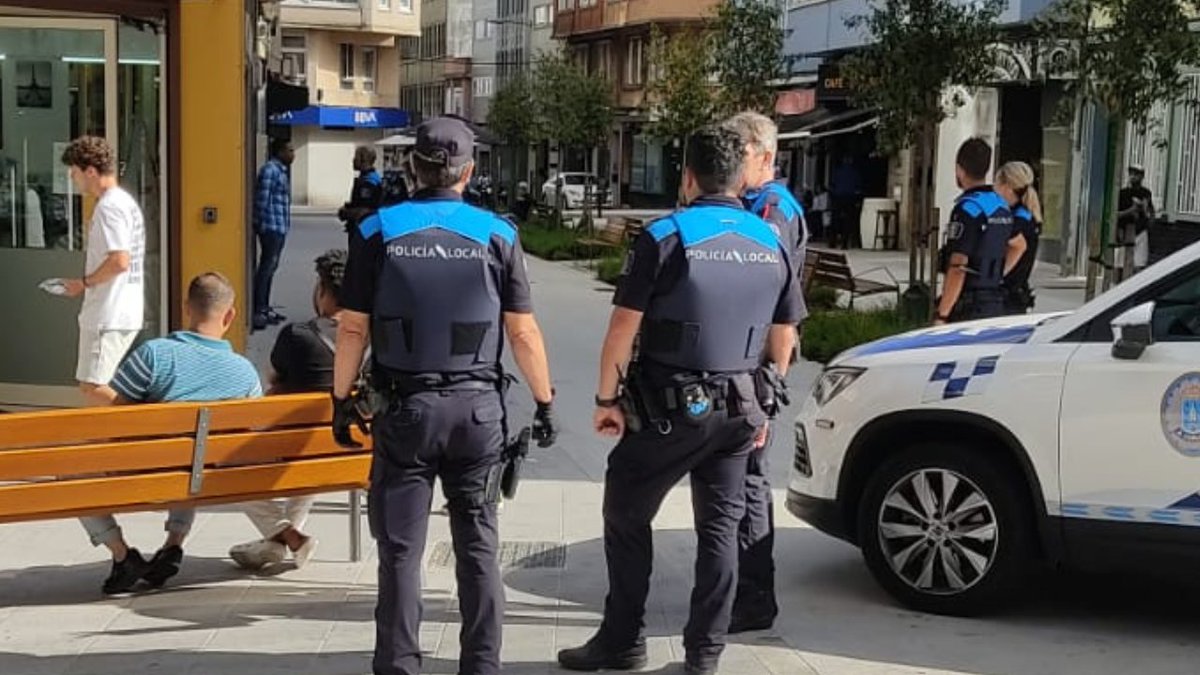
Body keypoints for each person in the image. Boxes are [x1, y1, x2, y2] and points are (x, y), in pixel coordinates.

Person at [557, 125, 803, 675]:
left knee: (625, 511)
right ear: (741, 177)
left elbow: (623, 326)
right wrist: (768, 399)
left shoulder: (667, 235)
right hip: (741, 409)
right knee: (719, 530)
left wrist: (606, 399)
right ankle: (703, 657)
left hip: (669, 409)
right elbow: (785, 334)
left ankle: (623, 640)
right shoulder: (771, 240)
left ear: (687, 177)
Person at [333, 116, 559, 675]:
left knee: (401, 551)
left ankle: (399, 664)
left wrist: (341, 399)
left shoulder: (374, 232)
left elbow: (352, 329)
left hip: (404, 411)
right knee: (478, 544)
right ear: (469, 171)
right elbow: (523, 333)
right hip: (477, 413)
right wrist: (545, 401)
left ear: (413, 166)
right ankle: (481, 665)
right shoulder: (499, 236)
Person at [80, 272, 263, 594]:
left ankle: (122, 555)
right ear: (230, 315)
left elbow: (120, 413)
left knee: (72, 470)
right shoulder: (245, 372)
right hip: (206, 477)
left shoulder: (155, 354)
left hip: (143, 474)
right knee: (195, 451)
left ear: (186, 308)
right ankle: (174, 543)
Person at [724, 111, 810, 634]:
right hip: (740, 355)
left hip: (759, 362)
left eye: (739, 152)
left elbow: (773, 294)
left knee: (752, 480)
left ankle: (755, 595)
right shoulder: (750, 203)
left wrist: (773, 376)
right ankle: (733, 582)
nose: (733, 163)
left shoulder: (773, 208)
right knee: (732, 477)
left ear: (762, 154)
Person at [228, 250, 354, 571]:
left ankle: (288, 536)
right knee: (313, 451)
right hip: (352, 455)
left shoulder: (297, 336)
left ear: (322, 291)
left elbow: (272, 377)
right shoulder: (377, 338)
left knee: (227, 471)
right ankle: (279, 542)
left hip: (297, 452)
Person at [58, 136, 146, 406]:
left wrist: (82, 283)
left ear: (91, 171)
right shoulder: (124, 202)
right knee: (101, 383)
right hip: (121, 310)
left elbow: (119, 261)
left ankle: (148, 427)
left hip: (108, 313)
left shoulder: (110, 207)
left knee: (92, 385)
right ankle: (119, 436)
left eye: (74, 173)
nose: (73, 179)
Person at [934, 138, 1021, 324]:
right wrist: (994, 274)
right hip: (995, 300)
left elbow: (958, 267)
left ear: (959, 169)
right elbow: (1019, 245)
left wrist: (942, 314)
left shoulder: (968, 209)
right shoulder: (1000, 205)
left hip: (968, 306)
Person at [253, 138, 295, 332]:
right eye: (289, 150)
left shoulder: (280, 171)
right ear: (279, 152)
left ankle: (264, 306)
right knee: (266, 268)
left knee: (270, 268)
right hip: (270, 226)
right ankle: (259, 309)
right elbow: (263, 198)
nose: (293, 154)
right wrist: (259, 222)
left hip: (279, 227)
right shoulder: (270, 170)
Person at [995, 162, 1043, 315]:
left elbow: (1018, 246)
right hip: (1016, 294)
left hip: (1008, 296)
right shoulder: (1026, 215)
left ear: (1006, 186)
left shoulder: (1019, 219)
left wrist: (997, 276)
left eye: (997, 183)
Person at [1118, 164, 1155, 274]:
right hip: (1125, 232)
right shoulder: (1123, 193)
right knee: (1120, 265)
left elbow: (1150, 212)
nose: (1133, 176)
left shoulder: (1146, 193)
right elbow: (1116, 214)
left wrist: (1147, 214)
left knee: (1139, 265)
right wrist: (1131, 210)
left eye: (1136, 174)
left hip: (1140, 231)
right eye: (1131, 174)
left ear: (1142, 176)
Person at [339, 146, 384, 231]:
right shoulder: (365, 178)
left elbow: (366, 210)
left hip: (365, 230)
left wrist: (346, 213)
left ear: (363, 160)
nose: (353, 160)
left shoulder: (369, 182)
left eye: (356, 157)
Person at [830, 154, 862, 249]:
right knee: (848, 221)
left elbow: (833, 184)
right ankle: (845, 243)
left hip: (838, 197)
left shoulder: (838, 172)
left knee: (835, 220)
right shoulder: (855, 173)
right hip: (850, 198)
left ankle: (832, 242)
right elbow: (858, 187)